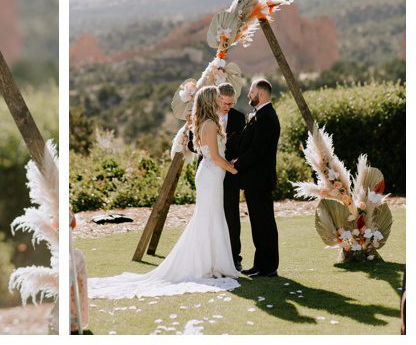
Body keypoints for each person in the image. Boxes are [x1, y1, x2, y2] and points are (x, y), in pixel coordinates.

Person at [90, 86, 240, 298]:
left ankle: (212, 262)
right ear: (210, 101)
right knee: (208, 218)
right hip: (211, 176)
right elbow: (215, 157)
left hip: (210, 175)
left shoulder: (204, 123)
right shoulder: (210, 124)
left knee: (210, 217)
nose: (220, 101)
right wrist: (233, 169)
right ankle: (207, 265)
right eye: (217, 98)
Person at [231, 79, 281, 277]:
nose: (248, 95)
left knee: (264, 224)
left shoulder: (266, 117)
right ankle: (260, 265)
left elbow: (257, 151)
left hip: (260, 180)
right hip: (254, 181)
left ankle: (269, 267)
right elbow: (247, 144)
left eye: (251, 92)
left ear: (260, 94)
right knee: (258, 224)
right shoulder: (260, 114)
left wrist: (235, 165)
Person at [215, 83, 247, 271]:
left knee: (232, 215)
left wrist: (236, 161)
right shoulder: (206, 115)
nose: (228, 107)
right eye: (225, 103)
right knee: (211, 213)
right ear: (217, 99)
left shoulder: (239, 118)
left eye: (230, 103)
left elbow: (243, 145)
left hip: (231, 173)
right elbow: (193, 145)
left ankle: (235, 257)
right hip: (210, 173)